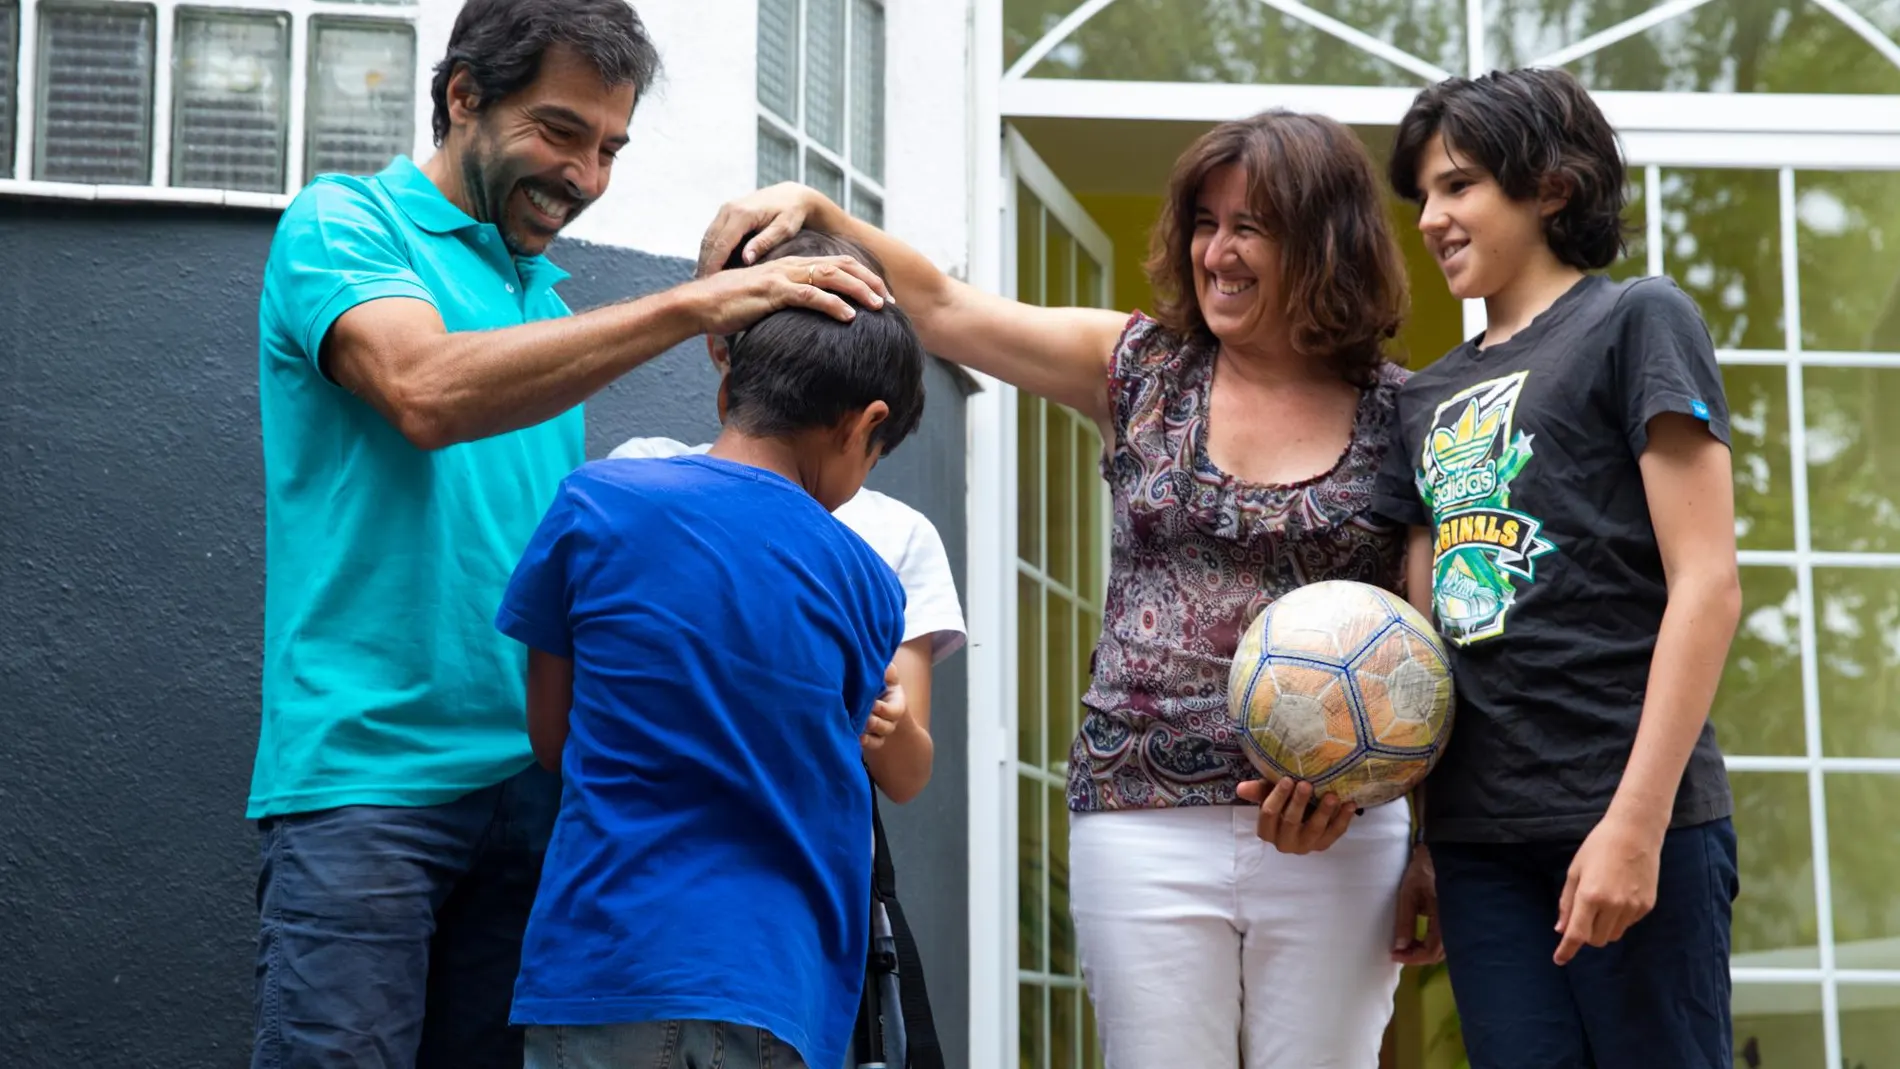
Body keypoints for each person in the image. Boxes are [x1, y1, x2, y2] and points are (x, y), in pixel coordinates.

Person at [698, 110, 1438, 1069]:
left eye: (1250, 225)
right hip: (1139, 822)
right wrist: (821, 209)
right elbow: (947, 306)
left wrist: (1423, 836)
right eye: (1205, 222)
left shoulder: (1406, 412)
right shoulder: (1138, 368)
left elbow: (1429, 652)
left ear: (1325, 241)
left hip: (1337, 833)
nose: (1217, 251)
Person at [247, 0, 891, 1065]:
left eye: (609, 148)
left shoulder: (547, 314)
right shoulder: (344, 224)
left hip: (546, 794)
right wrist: (691, 305)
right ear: (463, 97)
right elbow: (422, 390)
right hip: (369, 783)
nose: (587, 177)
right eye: (559, 132)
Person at [1378, 68, 1742, 1068]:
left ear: (1551, 185)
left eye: (1458, 186)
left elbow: (1706, 583)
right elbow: (1425, 647)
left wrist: (1636, 824)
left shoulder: (1637, 321)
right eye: (1423, 197)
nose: (1432, 219)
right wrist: (1421, 839)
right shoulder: (1422, 400)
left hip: (1629, 813)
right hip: (1479, 842)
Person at [492, 273, 927, 1069]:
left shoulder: (590, 505)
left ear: (729, 382)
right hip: (773, 985)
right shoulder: (866, 579)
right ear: (866, 425)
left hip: (599, 966)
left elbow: (551, 738)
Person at [612, 232, 967, 806]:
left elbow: (908, 774)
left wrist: (890, 724)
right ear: (721, 349)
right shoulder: (641, 473)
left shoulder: (897, 538)